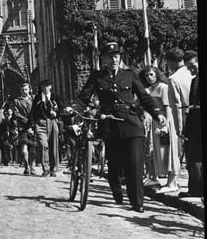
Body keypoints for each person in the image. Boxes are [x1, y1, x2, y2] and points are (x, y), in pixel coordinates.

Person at [75, 42, 167, 213]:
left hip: (131, 124)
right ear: (103, 59)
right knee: (115, 165)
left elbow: (145, 97)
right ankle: (116, 189)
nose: (114, 59)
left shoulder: (130, 75)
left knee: (135, 164)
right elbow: (84, 97)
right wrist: (73, 108)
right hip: (110, 125)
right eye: (110, 57)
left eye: (116, 56)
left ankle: (137, 202)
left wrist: (157, 113)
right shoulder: (97, 76)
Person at [139, 65, 179, 192]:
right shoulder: (149, 89)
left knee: (170, 152)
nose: (149, 77)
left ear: (157, 74)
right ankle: (156, 178)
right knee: (157, 153)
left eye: (151, 74)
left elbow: (168, 107)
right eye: (146, 75)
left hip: (164, 121)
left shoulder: (163, 87)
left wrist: (166, 125)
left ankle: (172, 183)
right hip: (154, 122)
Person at [166, 47, 193, 164]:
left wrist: (179, 129)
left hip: (188, 118)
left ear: (170, 62)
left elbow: (176, 105)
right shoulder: (193, 72)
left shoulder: (174, 79)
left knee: (192, 157)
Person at [181, 51, 202, 199]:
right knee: (193, 158)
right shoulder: (194, 81)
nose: (191, 70)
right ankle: (194, 189)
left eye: (193, 66)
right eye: (188, 68)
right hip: (194, 123)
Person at [29, 80, 61, 177]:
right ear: (41, 87)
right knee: (43, 145)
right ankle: (45, 168)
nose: (46, 88)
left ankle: (52, 169)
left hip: (52, 123)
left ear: (50, 87)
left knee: (53, 146)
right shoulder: (37, 98)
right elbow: (33, 112)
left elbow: (61, 109)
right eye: (44, 86)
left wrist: (56, 114)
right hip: (41, 124)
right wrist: (32, 125)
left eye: (48, 86)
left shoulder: (56, 97)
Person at [13, 83, 35, 175]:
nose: (24, 91)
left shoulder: (33, 99)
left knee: (33, 149)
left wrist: (32, 123)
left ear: (29, 89)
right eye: (22, 90)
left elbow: (36, 112)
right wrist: (26, 120)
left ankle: (32, 167)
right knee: (24, 148)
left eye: (26, 89)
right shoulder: (17, 101)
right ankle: (26, 166)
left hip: (33, 126)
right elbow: (16, 113)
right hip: (23, 127)